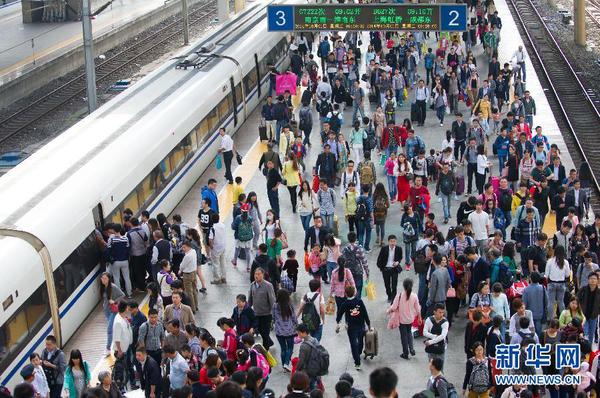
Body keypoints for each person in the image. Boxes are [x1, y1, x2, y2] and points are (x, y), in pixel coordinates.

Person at [335, 285, 370, 370]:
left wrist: (338, 322)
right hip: (361, 325)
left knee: (353, 344)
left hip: (351, 327)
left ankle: (357, 362)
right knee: (360, 340)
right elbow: (365, 313)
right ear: (354, 292)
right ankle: (359, 351)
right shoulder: (359, 301)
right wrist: (368, 324)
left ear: (346, 294)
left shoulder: (345, 304)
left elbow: (339, 314)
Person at [387, 278, 421, 360]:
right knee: (409, 333)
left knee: (403, 336)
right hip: (410, 319)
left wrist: (388, 311)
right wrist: (419, 317)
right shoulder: (414, 296)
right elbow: (418, 308)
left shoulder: (399, 295)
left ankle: (405, 353)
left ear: (404, 286)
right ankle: (411, 348)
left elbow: (394, 307)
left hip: (401, 319)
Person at [248, 268, 276, 350]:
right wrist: (247, 309)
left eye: (259, 274)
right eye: (255, 274)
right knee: (260, 331)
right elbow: (250, 299)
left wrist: (274, 314)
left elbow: (272, 300)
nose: (257, 276)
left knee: (265, 333)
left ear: (263, 275)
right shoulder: (252, 285)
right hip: (256, 314)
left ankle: (265, 351)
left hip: (266, 314)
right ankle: (269, 341)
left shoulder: (268, 286)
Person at [99, 272, 125, 356]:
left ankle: (108, 348)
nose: (103, 280)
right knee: (113, 328)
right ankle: (118, 343)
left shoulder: (113, 287)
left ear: (109, 279)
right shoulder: (103, 287)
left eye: (105, 278)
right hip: (106, 311)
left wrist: (114, 301)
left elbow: (122, 295)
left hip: (113, 311)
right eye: (102, 278)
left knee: (109, 329)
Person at [272, 289, 297, 372]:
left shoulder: (275, 305)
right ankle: (286, 363)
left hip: (279, 331)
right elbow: (293, 317)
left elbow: (273, 316)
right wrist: (296, 325)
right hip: (289, 330)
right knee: (290, 347)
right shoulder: (289, 305)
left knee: (283, 348)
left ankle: (283, 366)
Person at [112, 301, 133, 388]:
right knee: (121, 371)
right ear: (125, 308)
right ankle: (120, 388)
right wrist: (120, 350)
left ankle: (127, 385)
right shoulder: (118, 322)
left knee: (127, 367)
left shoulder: (122, 317)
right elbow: (117, 338)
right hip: (121, 351)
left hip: (126, 348)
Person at [296, 324, 323, 391]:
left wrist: (297, 370)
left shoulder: (304, 346)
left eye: (299, 333)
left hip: (308, 370)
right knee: (314, 386)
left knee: (309, 386)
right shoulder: (315, 340)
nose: (298, 335)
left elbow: (301, 361)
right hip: (316, 368)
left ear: (304, 332)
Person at [377, 235, 403, 303]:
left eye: (394, 241)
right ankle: (389, 296)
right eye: (391, 241)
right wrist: (382, 268)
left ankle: (394, 298)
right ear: (388, 242)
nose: (392, 243)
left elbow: (400, 258)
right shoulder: (384, 249)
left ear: (396, 242)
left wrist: (397, 262)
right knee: (387, 284)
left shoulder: (399, 249)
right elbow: (379, 259)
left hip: (394, 269)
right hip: (386, 269)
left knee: (394, 285)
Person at [522, 271, 548, 338]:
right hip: (540, 314)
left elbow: (524, 303)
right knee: (538, 333)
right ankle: (537, 344)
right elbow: (546, 301)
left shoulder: (526, 289)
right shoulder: (542, 288)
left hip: (529, 314)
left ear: (530, 279)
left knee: (530, 332)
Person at [577, 272, 600, 344]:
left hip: (594, 315)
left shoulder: (599, 292)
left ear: (597, 281)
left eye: (594, 279)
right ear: (588, 280)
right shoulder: (583, 290)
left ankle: (589, 349)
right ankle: (584, 348)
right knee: (585, 332)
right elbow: (576, 299)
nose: (592, 280)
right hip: (583, 315)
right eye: (591, 279)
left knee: (591, 333)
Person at [178, 241, 199, 313]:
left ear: (188, 246)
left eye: (184, 247)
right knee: (194, 290)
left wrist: (180, 271)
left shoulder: (187, 256)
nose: (183, 249)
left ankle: (192, 309)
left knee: (188, 292)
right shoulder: (193, 251)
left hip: (187, 275)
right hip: (194, 273)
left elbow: (182, 265)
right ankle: (196, 306)